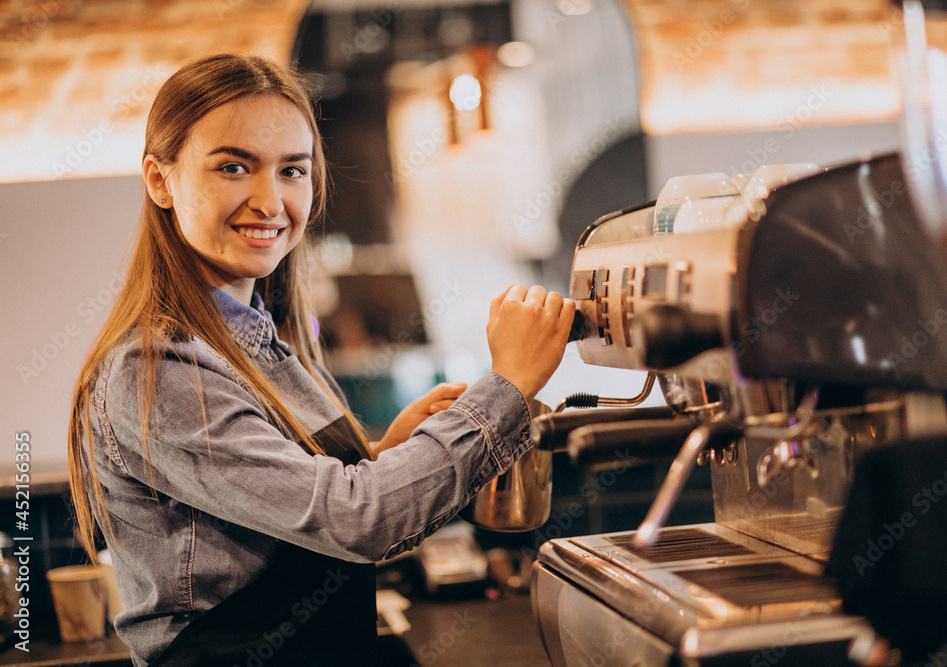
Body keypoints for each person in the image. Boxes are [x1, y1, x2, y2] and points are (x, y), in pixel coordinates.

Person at [67, 53, 575, 667]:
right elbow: (360, 520)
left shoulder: (269, 344)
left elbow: (300, 509)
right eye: (234, 167)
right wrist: (509, 384)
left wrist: (386, 454)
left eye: (292, 170)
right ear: (160, 179)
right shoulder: (157, 369)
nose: (270, 200)